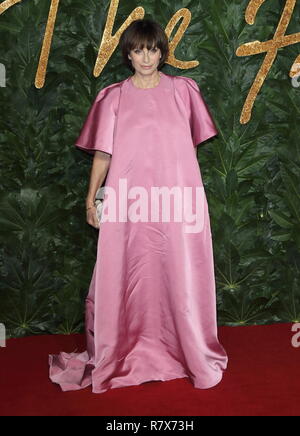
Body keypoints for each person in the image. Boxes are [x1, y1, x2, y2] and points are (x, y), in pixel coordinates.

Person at [48, 18, 228, 394]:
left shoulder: (184, 91)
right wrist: (91, 199)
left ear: (162, 52)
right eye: (137, 50)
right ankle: (126, 350)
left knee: (179, 271)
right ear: (128, 54)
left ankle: (185, 349)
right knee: (126, 274)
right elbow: (102, 154)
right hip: (128, 203)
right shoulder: (112, 98)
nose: (146, 57)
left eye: (152, 49)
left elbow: (186, 148)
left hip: (177, 203)